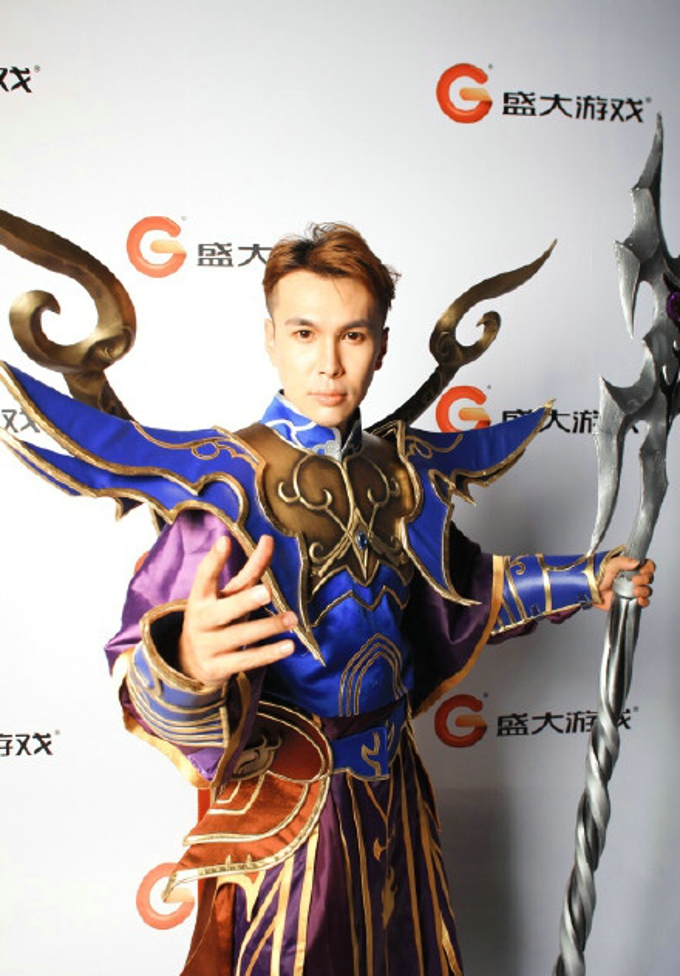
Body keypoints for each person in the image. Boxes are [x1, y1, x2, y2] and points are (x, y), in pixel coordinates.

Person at [0, 223, 654, 976]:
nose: (329, 363)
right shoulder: (223, 486)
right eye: (305, 333)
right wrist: (185, 659)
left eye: (354, 336)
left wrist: (587, 579)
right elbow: (137, 668)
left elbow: (467, 595)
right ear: (271, 339)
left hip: (395, 790)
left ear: (381, 345)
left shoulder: (403, 474)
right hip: (290, 805)